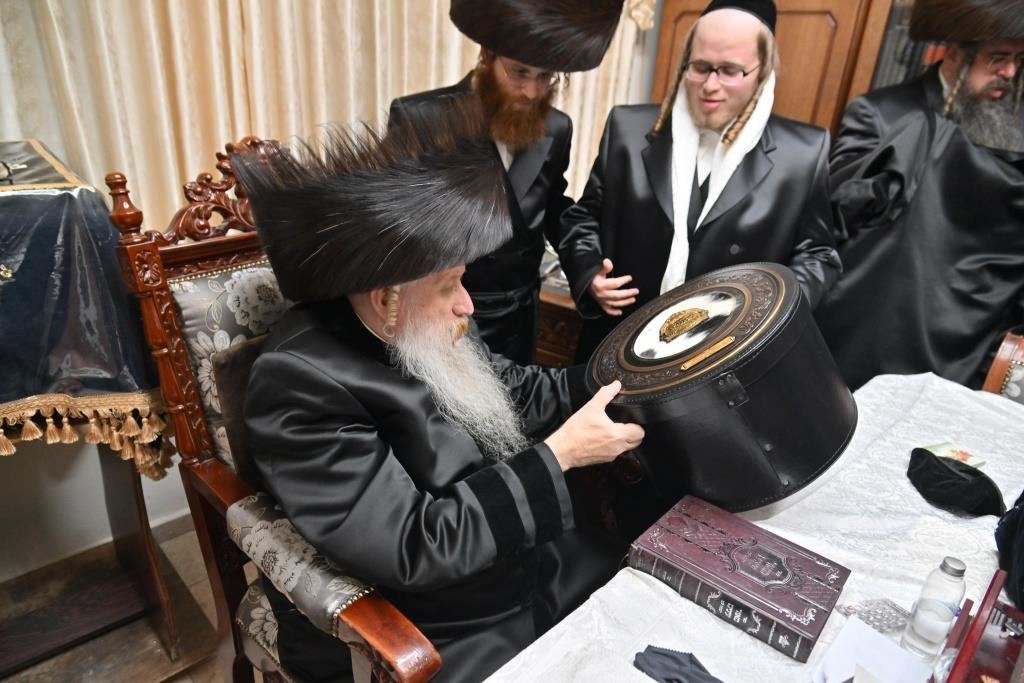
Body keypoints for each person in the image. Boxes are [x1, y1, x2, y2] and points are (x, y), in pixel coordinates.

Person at [232, 99, 644, 683]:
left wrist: (626, 376)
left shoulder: (420, 317)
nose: (467, 304)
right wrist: (561, 456)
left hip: (513, 564)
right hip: (431, 625)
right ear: (385, 296)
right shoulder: (298, 383)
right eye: (452, 284)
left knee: (645, 603)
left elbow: (512, 390)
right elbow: (413, 544)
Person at [557, 0, 841, 362]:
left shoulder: (803, 153)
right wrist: (589, 273)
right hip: (617, 347)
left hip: (725, 361)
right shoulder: (627, 129)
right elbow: (583, 216)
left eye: (730, 71)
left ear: (763, 72)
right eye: (701, 67)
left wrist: (768, 318)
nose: (710, 85)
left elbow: (819, 255)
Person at [388, 0, 624, 365]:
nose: (532, 91)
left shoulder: (557, 128)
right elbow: (398, 228)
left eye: (545, 77)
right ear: (487, 55)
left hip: (520, 317)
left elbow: (554, 208)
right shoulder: (421, 119)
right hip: (447, 314)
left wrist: (587, 268)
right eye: (519, 73)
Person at [815, 0, 1024, 391]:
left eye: (1018, 60)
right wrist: (913, 151)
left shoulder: (1016, 127)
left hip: (968, 353)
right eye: (997, 58)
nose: (1009, 72)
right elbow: (836, 216)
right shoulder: (883, 113)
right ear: (955, 53)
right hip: (870, 339)